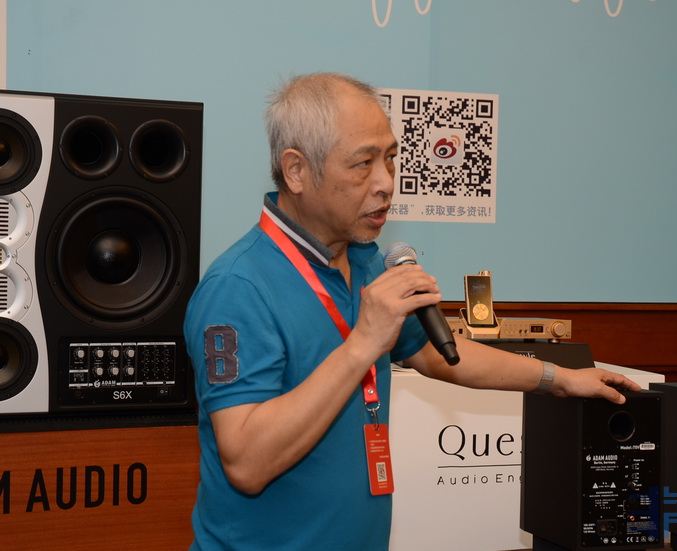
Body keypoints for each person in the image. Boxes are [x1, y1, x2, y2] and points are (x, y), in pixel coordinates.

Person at [183, 72, 641, 550]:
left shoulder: (365, 260)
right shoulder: (237, 287)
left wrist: (559, 378)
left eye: (390, 158)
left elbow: (437, 353)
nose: (386, 183)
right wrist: (363, 344)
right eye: (363, 163)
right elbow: (247, 464)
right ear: (296, 171)